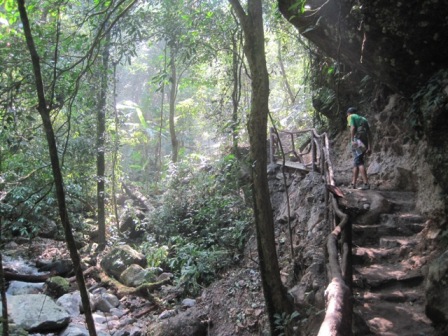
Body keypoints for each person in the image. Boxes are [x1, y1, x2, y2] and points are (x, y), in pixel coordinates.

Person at [346, 107, 372, 190]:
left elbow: (353, 128)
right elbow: (369, 133)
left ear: (349, 113)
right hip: (364, 141)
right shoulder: (363, 119)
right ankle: (353, 183)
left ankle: (366, 183)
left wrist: (352, 140)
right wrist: (369, 147)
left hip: (357, 140)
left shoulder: (351, 117)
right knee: (357, 161)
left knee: (359, 162)